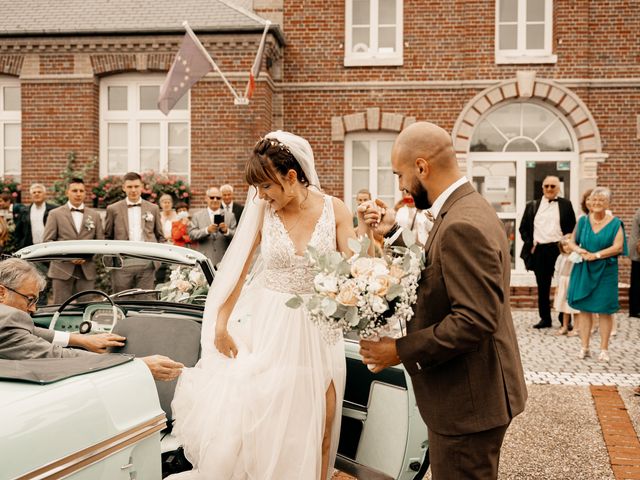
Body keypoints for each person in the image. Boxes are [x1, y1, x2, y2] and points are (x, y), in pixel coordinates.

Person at [169, 131, 363, 480]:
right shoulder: (263, 211)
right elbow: (237, 272)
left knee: (323, 418)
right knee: (268, 421)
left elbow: (356, 270)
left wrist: (375, 242)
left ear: (291, 177)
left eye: (266, 187)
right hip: (270, 327)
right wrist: (220, 325)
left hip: (320, 331)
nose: (260, 195)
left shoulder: (335, 209)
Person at [358, 121, 527, 480]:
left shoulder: (461, 224)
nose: (401, 185)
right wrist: (393, 234)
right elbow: (440, 271)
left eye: (400, 174)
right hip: (474, 394)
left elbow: (474, 320)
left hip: (468, 402)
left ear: (421, 167)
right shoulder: (467, 208)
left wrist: (399, 350)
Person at [0, 258, 183, 381]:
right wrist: (138, 365)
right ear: (2, 292)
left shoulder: (8, 319)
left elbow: (28, 331)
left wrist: (81, 339)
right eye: (30, 299)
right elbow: (55, 356)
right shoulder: (9, 319)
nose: (33, 308)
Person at [568, 187, 628, 363]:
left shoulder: (616, 223)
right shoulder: (583, 221)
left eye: (601, 200)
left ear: (608, 203)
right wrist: (580, 250)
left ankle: (603, 349)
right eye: (594, 200)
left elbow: (618, 247)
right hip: (584, 268)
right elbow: (571, 242)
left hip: (606, 271)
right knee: (584, 309)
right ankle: (584, 347)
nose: (596, 203)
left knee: (604, 310)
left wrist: (597, 255)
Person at [519, 176, 576, 329]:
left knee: (564, 284)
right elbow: (523, 228)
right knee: (542, 287)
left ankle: (564, 318)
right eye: (547, 186)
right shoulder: (532, 205)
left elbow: (572, 227)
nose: (549, 189)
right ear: (542, 188)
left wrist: (568, 244)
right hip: (540, 249)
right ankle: (545, 318)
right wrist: (531, 242)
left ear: (558, 188)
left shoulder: (566, 204)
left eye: (553, 186)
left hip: (560, 250)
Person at [42, 178, 105, 304]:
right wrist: (69, 257)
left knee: (86, 307)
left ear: (85, 193)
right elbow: (47, 241)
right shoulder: (55, 214)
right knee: (60, 306)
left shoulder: (94, 215)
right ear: (67, 192)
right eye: (74, 190)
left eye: (81, 191)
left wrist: (86, 256)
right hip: (62, 269)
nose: (78, 193)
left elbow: (100, 242)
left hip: (86, 268)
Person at [104, 172, 165, 292]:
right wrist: (112, 262)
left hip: (147, 261)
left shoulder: (153, 208)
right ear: (123, 188)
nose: (133, 190)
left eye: (136, 186)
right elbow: (107, 237)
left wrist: (157, 260)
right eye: (129, 187)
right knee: (121, 299)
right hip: (122, 262)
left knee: (145, 299)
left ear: (142, 187)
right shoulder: (113, 209)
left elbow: (160, 236)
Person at [188, 187, 237, 267]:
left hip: (224, 260)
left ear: (221, 199)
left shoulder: (230, 216)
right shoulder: (197, 216)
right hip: (203, 259)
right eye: (212, 197)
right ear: (206, 198)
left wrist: (226, 231)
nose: (215, 200)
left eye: (218, 198)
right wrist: (207, 230)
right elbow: (191, 235)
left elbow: (237, 237)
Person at [13, 183, 57, 250]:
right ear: (31, 195)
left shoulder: (54, 210)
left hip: (49, 248)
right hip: (29, 249)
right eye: (34, 192)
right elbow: (18, 232)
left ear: (45, 194)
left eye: (39, 192)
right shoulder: (24, 211)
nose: (36, 194)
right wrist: (19, 245)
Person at [553, 235, 578, 335]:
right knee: (564, 307)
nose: (566, 247)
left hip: (573, 282)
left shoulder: (576, 256)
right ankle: (564, 326)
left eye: (568, 245)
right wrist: (557, 285)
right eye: (564, 245)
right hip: (563, 282)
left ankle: (576, 328)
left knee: (575, 308)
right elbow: (557, 270)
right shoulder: (561, 257)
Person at [629, 206, 640, 318]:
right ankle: (635, 310)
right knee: (637, 281)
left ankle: (635, 309)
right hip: (638, 251)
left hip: (637, 250)